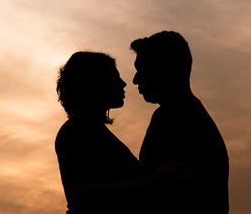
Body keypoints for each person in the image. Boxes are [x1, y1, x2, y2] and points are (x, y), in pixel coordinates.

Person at [55, 51, 175, 214]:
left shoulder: (93, 131)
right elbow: (79, 193)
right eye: (113, 75)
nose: (123, 83)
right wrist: (151, 181)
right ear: (91, 81)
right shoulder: (74, 131)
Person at [131, 31, 229, 213]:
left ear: (161, 65)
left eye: (141, 68)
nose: (135, 79)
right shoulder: (190, 114)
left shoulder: (172, 116)